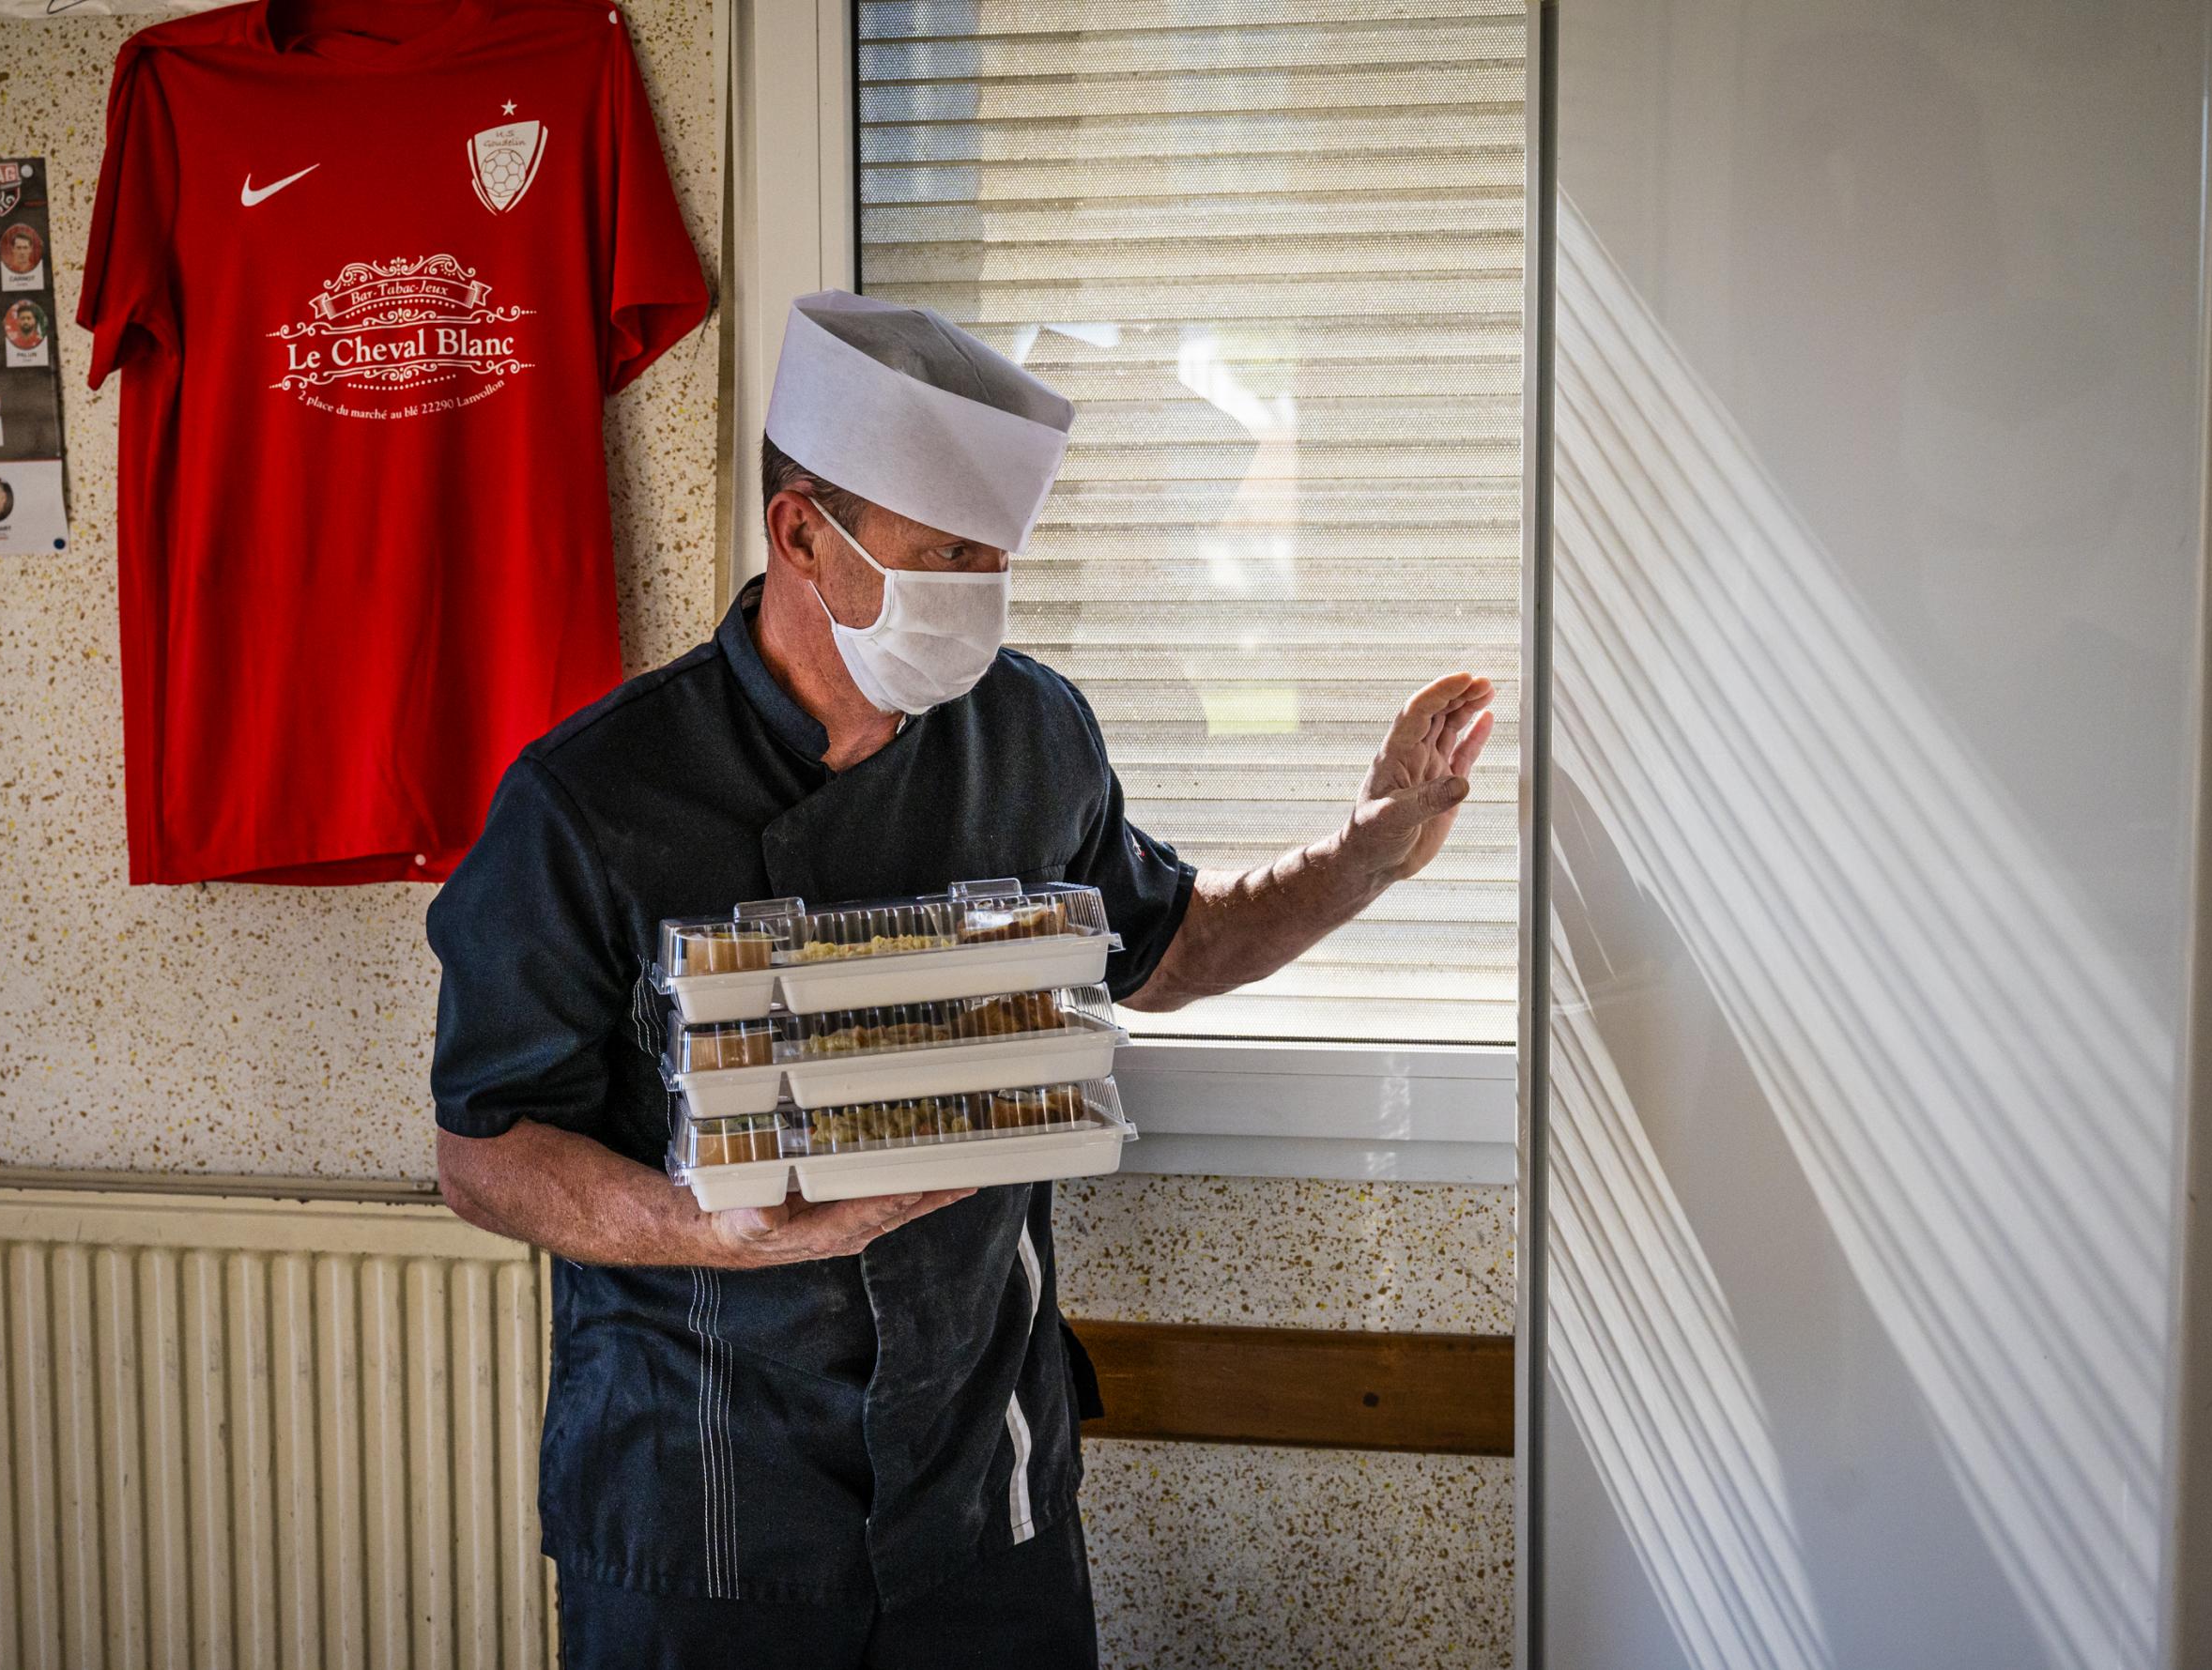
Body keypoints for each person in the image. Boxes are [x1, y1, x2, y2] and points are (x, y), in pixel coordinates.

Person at [425, 292, 1494, 1670]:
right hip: (705, 1500)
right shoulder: (591, 801)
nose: (979, 593)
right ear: (802, 533)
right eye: (944, 558)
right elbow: (482, 1153)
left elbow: (1165, 948)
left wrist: (1369, 852)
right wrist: (710, 1226)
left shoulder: (1033, 733)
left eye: (997, 557)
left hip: (983, 1489)